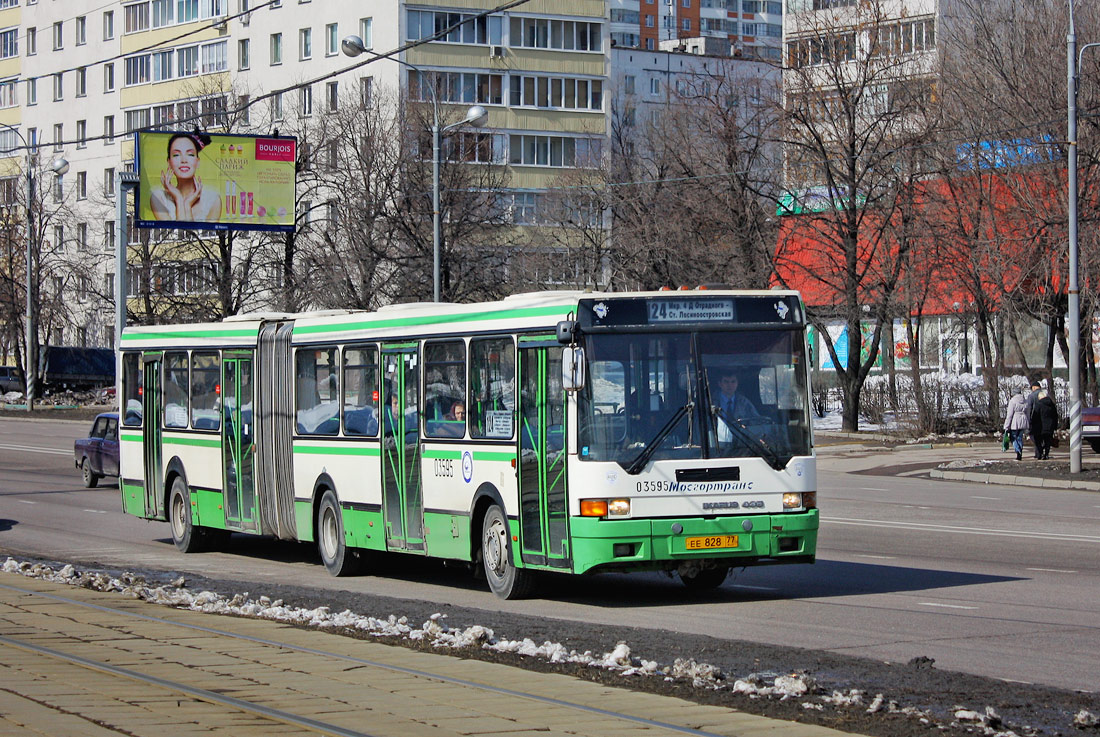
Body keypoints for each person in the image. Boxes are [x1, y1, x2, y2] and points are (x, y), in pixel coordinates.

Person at [150, 133, 222, 222]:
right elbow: (176, 232)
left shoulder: (213, 200)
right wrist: (179, 199)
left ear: (198, 161)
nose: (184, 160)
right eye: (176, 155)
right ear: (169, 162)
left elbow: (193, 234)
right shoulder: (159, 198)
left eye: (190, 154)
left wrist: (188, 204)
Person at [1003, 385, 1030, 461]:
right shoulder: (1025, 400)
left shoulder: (1013, 401)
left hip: (1015, 421)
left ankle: (1018, 451)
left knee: (1013, 437)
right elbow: (1028, 413)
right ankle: (1020, 450)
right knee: (1020, 437)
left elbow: (1009, 415)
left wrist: (1006, 426)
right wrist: (1028, 423)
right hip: (1023, 420)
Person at [1030, 390, 1058, 460]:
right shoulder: (1051, 404)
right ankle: (1046, 454)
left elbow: (1035, 416)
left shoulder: (1038, 404)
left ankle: (1040, 454)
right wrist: (1055, 426)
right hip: (1050, 426)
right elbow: (1055, 416)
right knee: (1047, 441)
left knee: (1038, 441)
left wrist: (1032, 425)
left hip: (1040, 426)